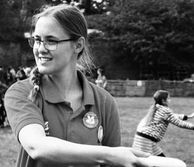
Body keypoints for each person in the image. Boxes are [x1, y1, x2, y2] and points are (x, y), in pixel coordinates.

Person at [4, 4, 150, 167]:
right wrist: (110, 154)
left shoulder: (104, 101)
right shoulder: (22, 92)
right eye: (37, 40)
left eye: (51, 41)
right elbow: (37, 146)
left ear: (78, 45)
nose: (40, 49)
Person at [132, 90, 194, 157]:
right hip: (146, 140)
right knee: (145, 162)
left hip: (144, 138)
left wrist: (189, 116)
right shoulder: (165, 110)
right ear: (163, 100)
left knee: (162, 159)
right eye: (169, 98)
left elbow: (173, 116)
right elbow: (179, 123)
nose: (170, 100)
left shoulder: (157, 107)